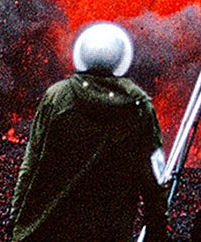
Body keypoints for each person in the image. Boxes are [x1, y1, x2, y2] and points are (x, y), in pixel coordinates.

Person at [11, 22, 170, 241]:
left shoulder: (57, 97)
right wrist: (157, 228)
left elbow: (31, 163)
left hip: (49, 228)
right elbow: (154, 177)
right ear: (120, 60)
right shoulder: (139, 108)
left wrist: (16, 219)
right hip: (108, 232)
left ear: (82, 55)